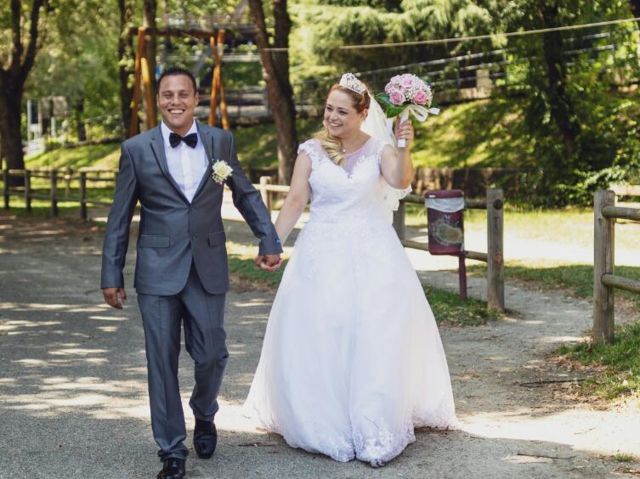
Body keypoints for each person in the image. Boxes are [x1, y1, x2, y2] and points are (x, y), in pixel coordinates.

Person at [244, 73, 456, 467]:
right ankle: (327, 420)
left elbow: (400, 179)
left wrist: (404, 143)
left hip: (374, 257)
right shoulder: (311, 151)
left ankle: (374, 422)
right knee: (327, 332)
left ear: (362, 113)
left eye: (342, 111)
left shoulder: (380, 149)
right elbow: (295, 200)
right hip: (321, 256)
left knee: (375, 335)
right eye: (329, 109)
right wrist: (272, 243)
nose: (332, 117)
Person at [101, 66, 282, 479]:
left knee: (213, 352)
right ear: (158, 100)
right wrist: (111, 273)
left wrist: (267, 238)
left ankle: (204, 411)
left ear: (196, 98)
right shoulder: (136, 149)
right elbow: (119, 216)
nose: (175, 101)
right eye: (167, 94)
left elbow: (244, 192)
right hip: (156, 271)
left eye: (183, 93)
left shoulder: (220, 141)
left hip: (207, 265)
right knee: (161, 362)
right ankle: (171, 450)